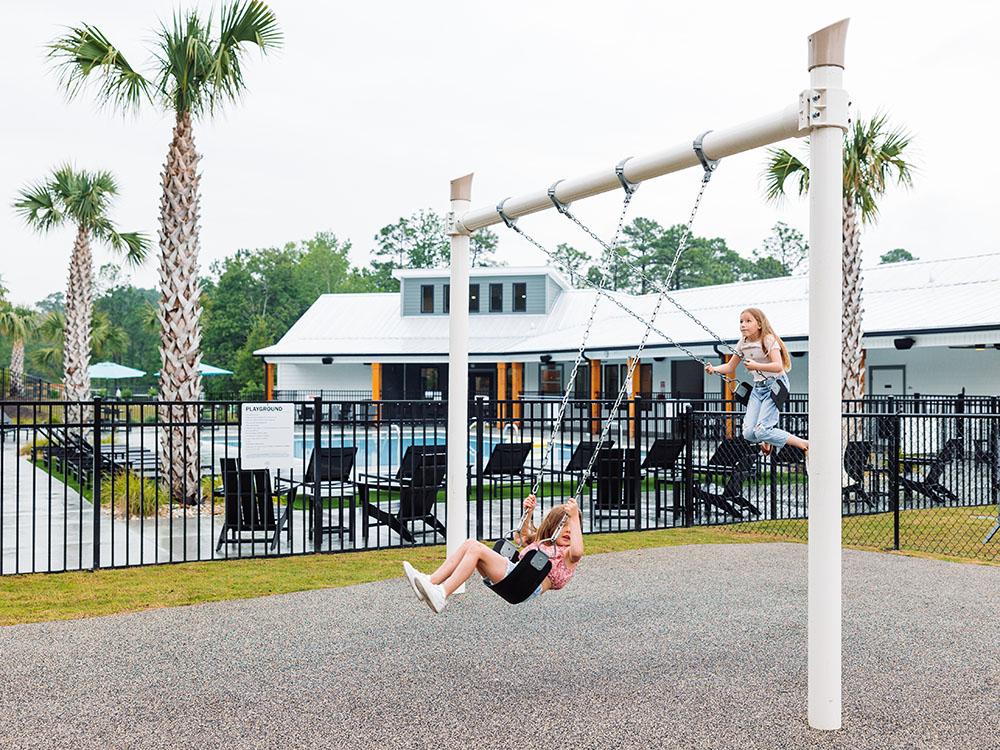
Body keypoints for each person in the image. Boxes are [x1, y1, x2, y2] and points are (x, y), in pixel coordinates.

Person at [402, 495, 584, 614]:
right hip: (516, 578)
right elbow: (519, 538)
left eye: (572, 528)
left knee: (475, 548)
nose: (568, 530)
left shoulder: (567, 554)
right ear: (552, 527)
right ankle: (429, 582)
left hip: (524, 584)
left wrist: (574, 517)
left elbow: (577, 551)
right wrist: (528, 513)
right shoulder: (544, 543)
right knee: (470, 544)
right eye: (563, 526)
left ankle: (441, 594)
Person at [705, 307, 809, 457]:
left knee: (762, 430)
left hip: (776, 384)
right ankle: (765, 440)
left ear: (759, 324)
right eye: (741, 321)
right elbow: (730, 366)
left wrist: (756, 365)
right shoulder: (742, 343)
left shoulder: (768, 339)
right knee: (748, 433)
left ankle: (804, 443)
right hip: (758, 388)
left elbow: (778, 366)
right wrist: (714, 369)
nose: (743, 325)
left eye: (748, 321)